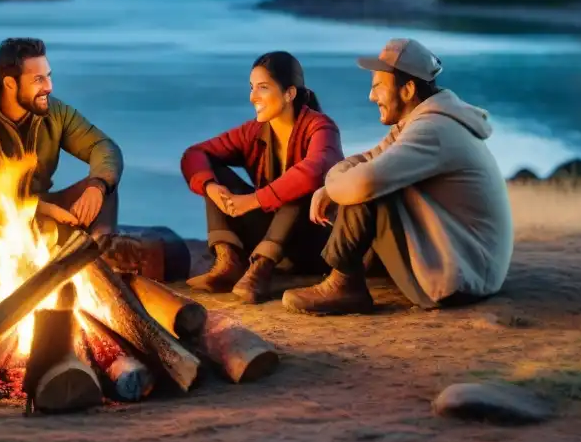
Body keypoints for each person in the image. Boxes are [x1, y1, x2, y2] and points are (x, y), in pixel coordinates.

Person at [282, 38, 514, 315]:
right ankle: (353, 272)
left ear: (408, 90)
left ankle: (344, 285)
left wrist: (331, 189)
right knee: (367, 178)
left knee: (369, 187)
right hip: (465, 262)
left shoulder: (432, 130)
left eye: (378, 87)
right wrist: (334, 185)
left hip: (462, 277)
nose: (371, 97)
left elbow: (364, 180)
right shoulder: (420, 123)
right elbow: (369, 158)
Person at [0, 38, 123, 283]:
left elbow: (103, 146)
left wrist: (98, 185)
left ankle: (96, 276)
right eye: (38, 79)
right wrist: (41, 208)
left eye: (48, 76)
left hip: (42, 213)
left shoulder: (54, 112)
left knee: (106, 192)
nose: (49, 86)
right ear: (9, 83)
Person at [181, 51, 344, 303]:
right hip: (271, 235)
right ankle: (228, 261)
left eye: (263, 88)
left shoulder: (320, 127)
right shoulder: (253, 132)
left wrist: (255, 200)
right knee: (211, 173)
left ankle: (260, 269)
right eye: (251, 87)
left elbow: (315, 171)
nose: (253, 96)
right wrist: (211, 187)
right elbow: (195, 154)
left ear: (289, 93)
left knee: (300, 184)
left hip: (315, 243)